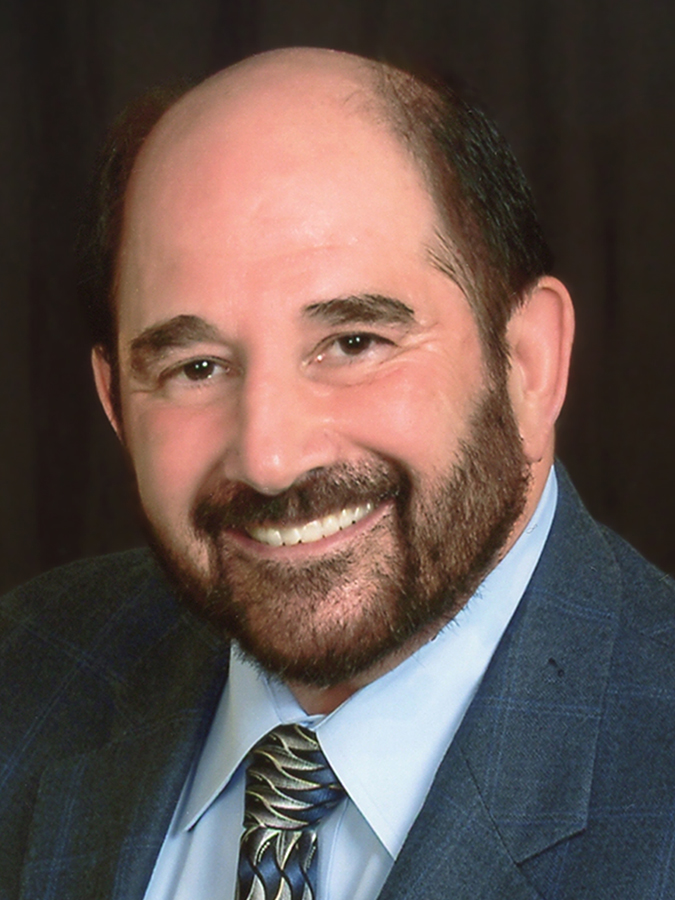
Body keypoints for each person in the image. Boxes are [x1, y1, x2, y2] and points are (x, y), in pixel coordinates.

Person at [1, 47, 673, 900]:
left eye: (354, 343)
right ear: (114, 404)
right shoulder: (26, 669)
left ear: (527, 364)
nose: (270, 458)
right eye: (195, 368)